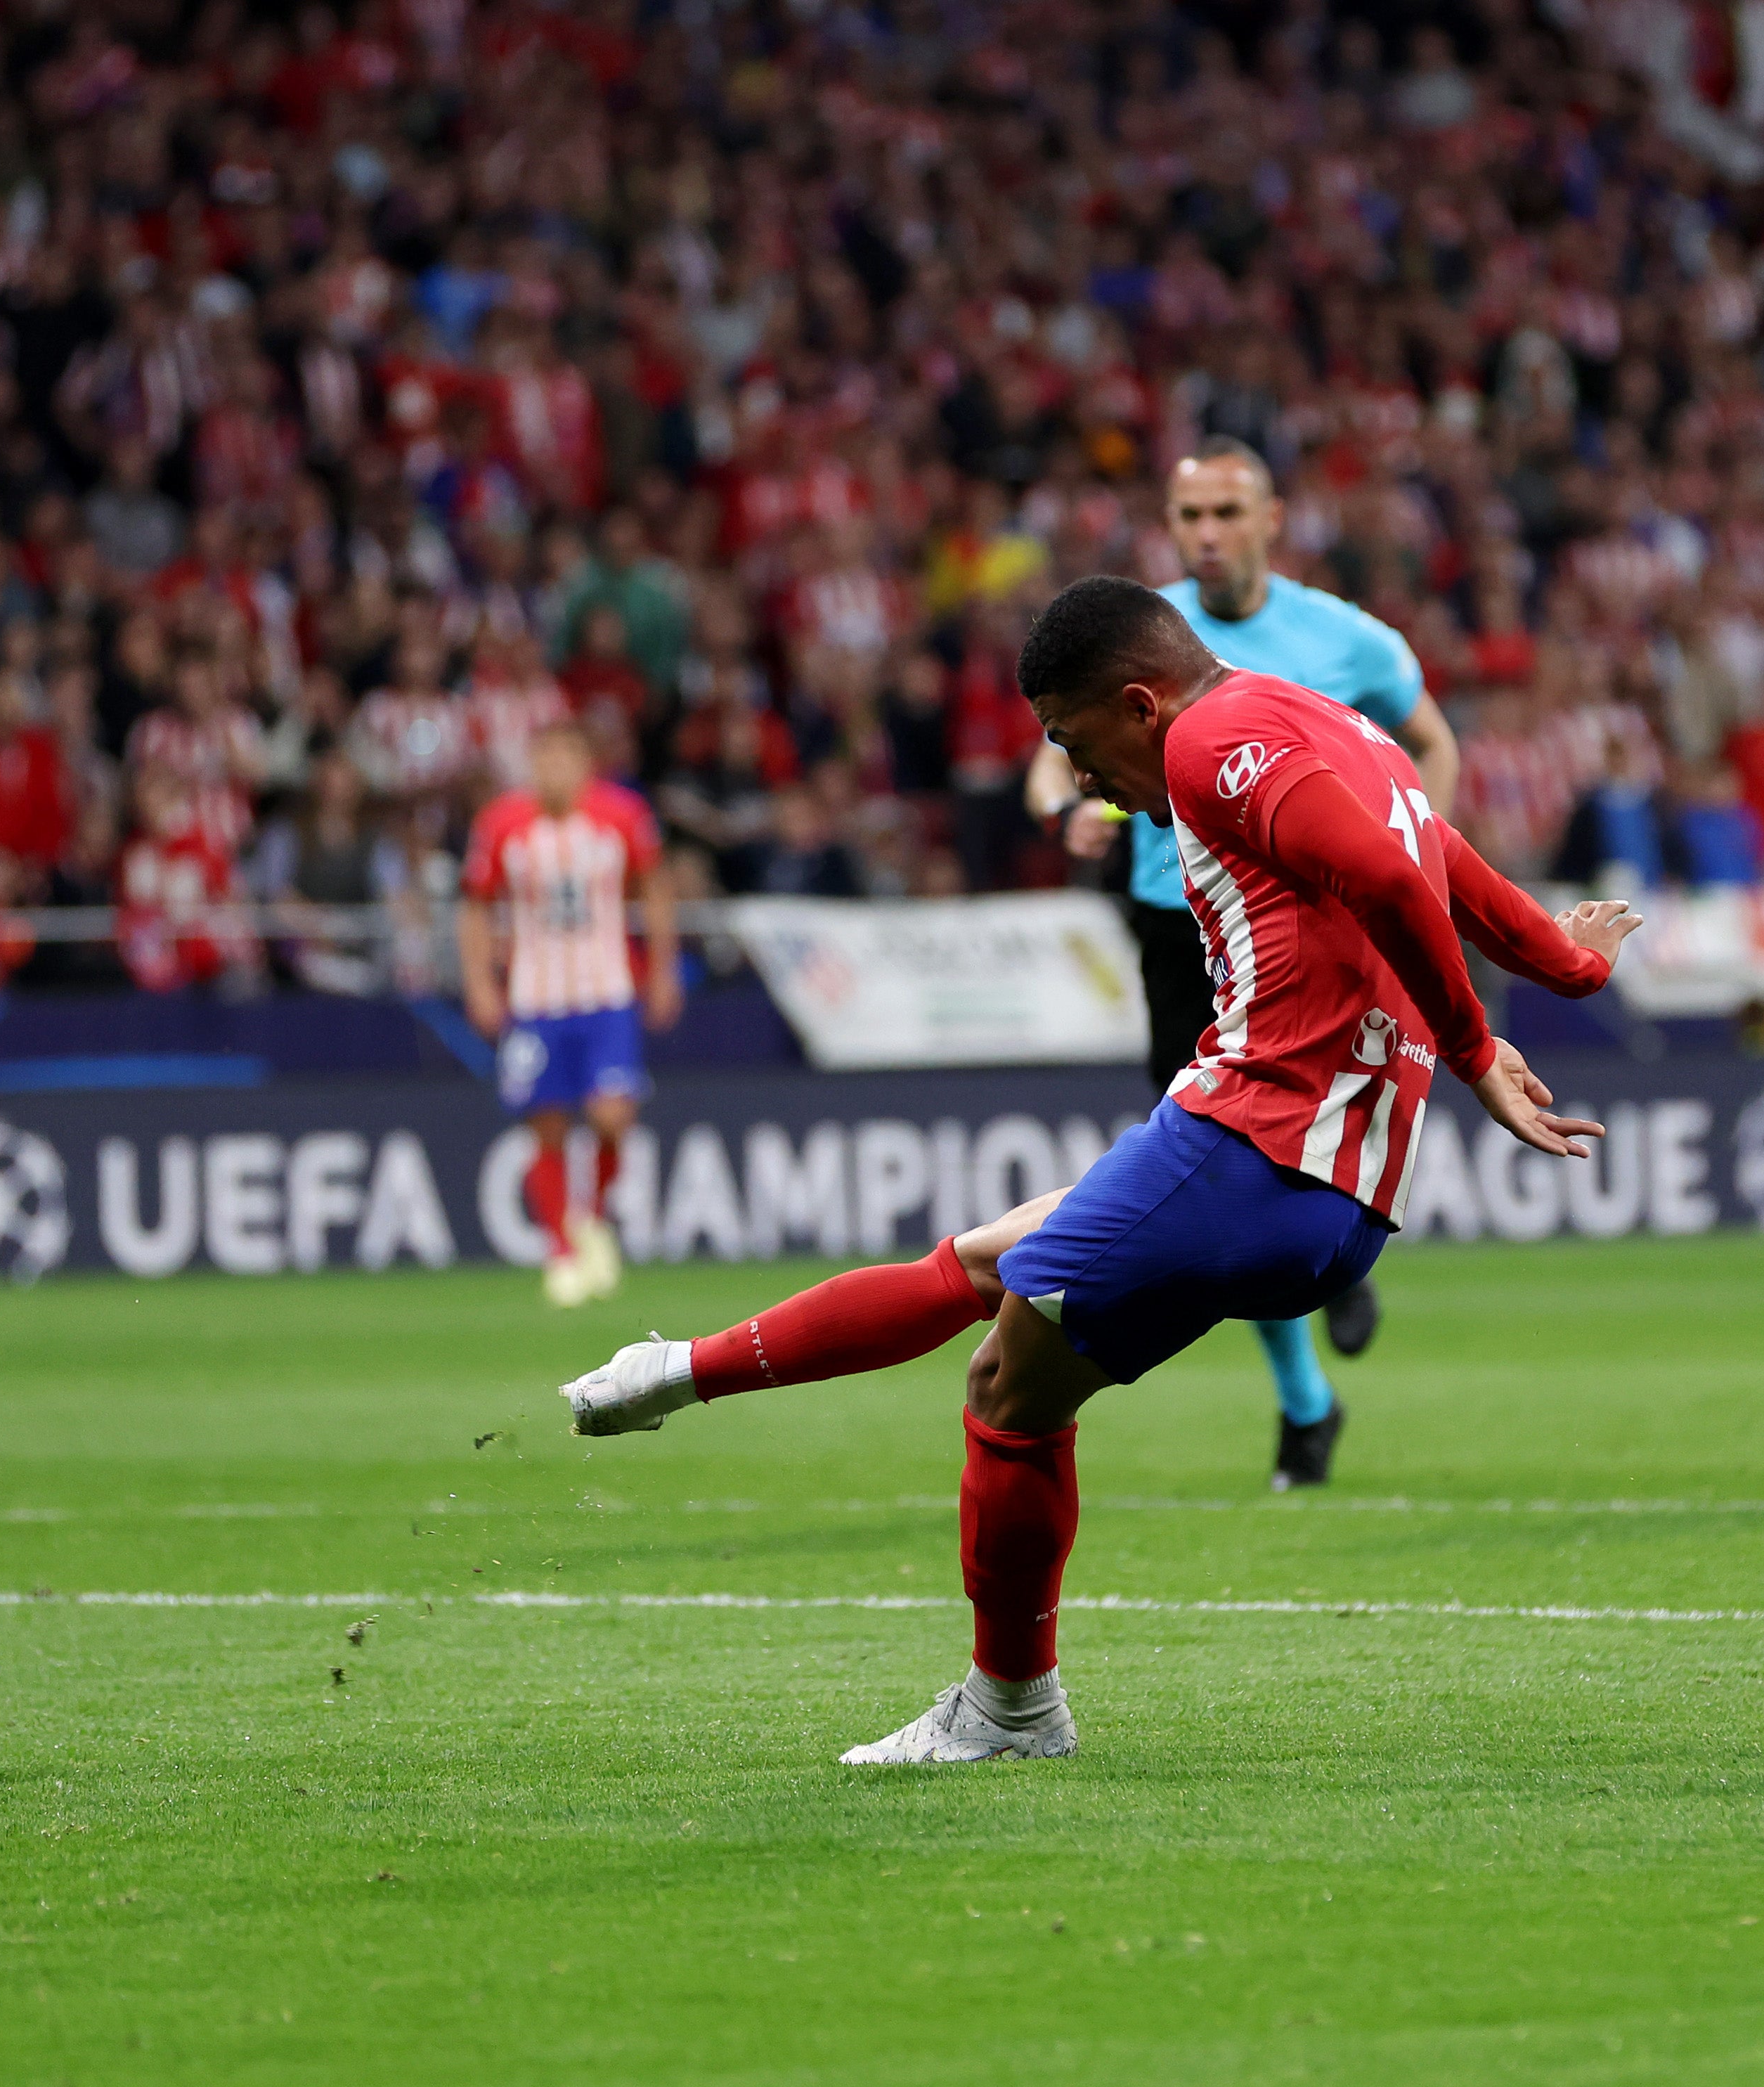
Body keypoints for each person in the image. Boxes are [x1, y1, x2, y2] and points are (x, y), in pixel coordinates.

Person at [562, 578, 1635, 1762]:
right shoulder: (1326, 723)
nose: (1075, 775)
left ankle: (1009, 1710)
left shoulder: (1206, 742)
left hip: (1256, 1146)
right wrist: (1568, 969)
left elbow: (1390, 880)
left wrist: (1474, 1049)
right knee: (984, 1262)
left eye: (1072, 741)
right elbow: (1431, 850)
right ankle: (673, 1374)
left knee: (1002, 1391)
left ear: (1136, 703)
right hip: (1322, 1184)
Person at [1031, 437, 1463, 1489]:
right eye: (1190, 519)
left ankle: (1328, 1261)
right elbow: (1052, 763)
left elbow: (1431, 747)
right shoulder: (1141, 630)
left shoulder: (1344, 639)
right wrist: (1064, 815)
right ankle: (1306, 1402)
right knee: (1206, 1163)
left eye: (1228, 513)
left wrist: (1420, 863)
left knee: (1275, 1150)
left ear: (1272, 517)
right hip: (1173, 924)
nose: (1208, 536)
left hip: (1318, 931)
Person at [460, 719, 681, 1308]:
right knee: (547, 1125)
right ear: (531, 764)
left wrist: (662, 968)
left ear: (585, 763)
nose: (554, 769)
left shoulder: (622, 816)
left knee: (612, 1118)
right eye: (544, 758)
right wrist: (480, 981)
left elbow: (655, 888)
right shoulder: (502, 824)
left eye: (565, 757)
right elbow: (476, 908)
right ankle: (560, 1251)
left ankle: (591, 1220)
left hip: (607, 995)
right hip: (535, 1001)